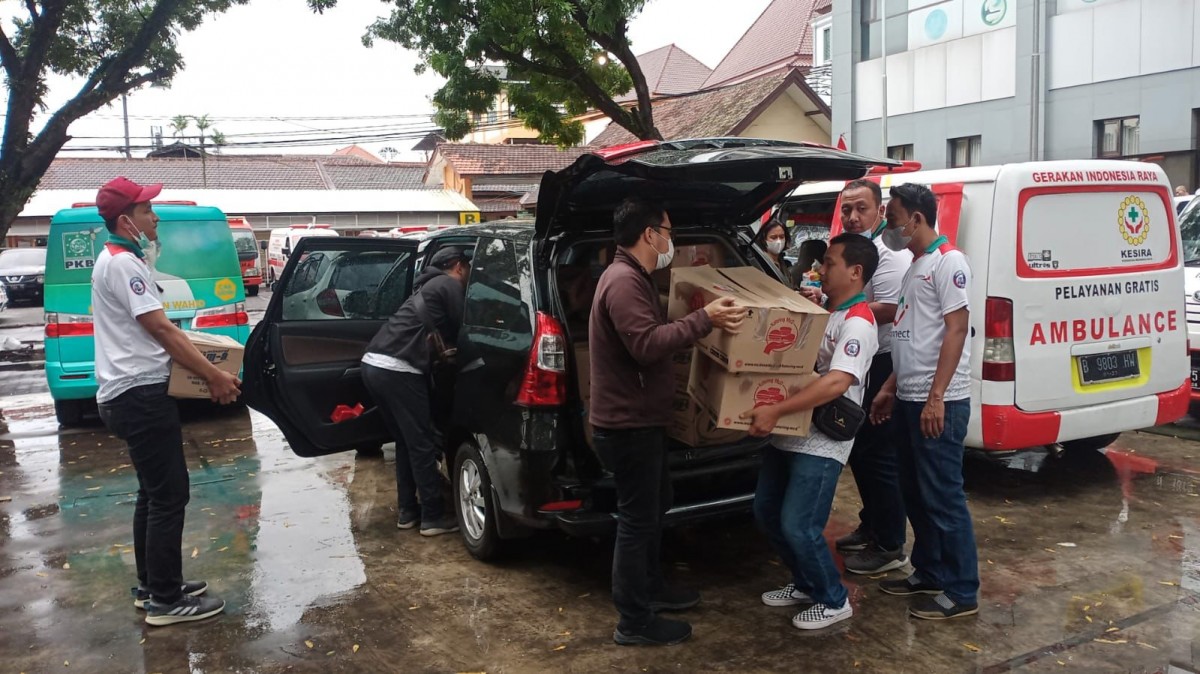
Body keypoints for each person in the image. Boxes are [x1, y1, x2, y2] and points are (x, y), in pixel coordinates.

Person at [589, 197, 747, 646]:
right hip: (627, 426)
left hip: (641, 421)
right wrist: (704, 318)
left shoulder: (633, 278)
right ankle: (633, 621)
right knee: (637, 520)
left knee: (656, 505)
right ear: (649, 234)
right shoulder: (621, 281)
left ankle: (650, 587)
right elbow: (646, 345)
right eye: (668, 232)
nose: (671, 241)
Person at [91, 177, 241, 626]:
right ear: (126, 221)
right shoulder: (123, 265)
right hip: (139, 396)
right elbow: (162, 330)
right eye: (146, 210)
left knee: (153, 494)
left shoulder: (119, 259)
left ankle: (154, 584)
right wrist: (213, 375)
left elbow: (159, 332)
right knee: (170, 495)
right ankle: (166, 601)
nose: (155, 217)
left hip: (129, 394)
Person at [742, 233, 880, 631]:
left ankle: (834, 599)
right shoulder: (828, 311)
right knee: (766, 512)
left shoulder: (858, 324)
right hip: (791, 430)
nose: (821, 269)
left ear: (855, 272)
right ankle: (805, 582)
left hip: (822, 439)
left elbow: (837, 382)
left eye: (830, 263)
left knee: (799, 524)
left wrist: (776, 410)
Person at [870, 182, 980, 620]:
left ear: (916, 218)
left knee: (943, 496)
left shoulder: (949, 263)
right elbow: (911, 335)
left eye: (893, 217)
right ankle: (929, 571)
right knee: (913, 490)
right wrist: (891, 387)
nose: (889, 225)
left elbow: (956, 330)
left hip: (940, 402)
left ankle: (962, 590)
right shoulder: (916, 267)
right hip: (910, 397)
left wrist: (936, 397)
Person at [800, 179, 913, 576]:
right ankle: (873, 524)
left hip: (879, 360)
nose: (852, 216)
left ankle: (890, 544)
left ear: (879, 211)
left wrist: (845, 301)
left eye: (861, 208)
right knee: (861, 453)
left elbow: (895, 309)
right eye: (846, 209)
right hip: (858, 355)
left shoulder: (888, 256)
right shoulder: (846, 250)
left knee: (879, 455)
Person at [361, 246, 473, 537]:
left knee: (405, 442)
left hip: (374, 363)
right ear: (459, 266)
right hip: (399, 368)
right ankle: (433, 517)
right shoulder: (449, 284)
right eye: (468, 268)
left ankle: (408, 512)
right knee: (422, 442)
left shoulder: (426, 287)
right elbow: (468, 329)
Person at [754, 219, 792, 284]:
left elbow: (791, 286)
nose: (779, 241)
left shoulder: (783, 263)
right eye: (773, 237)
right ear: (764, 240)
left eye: (782, 237)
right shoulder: (761, 263)